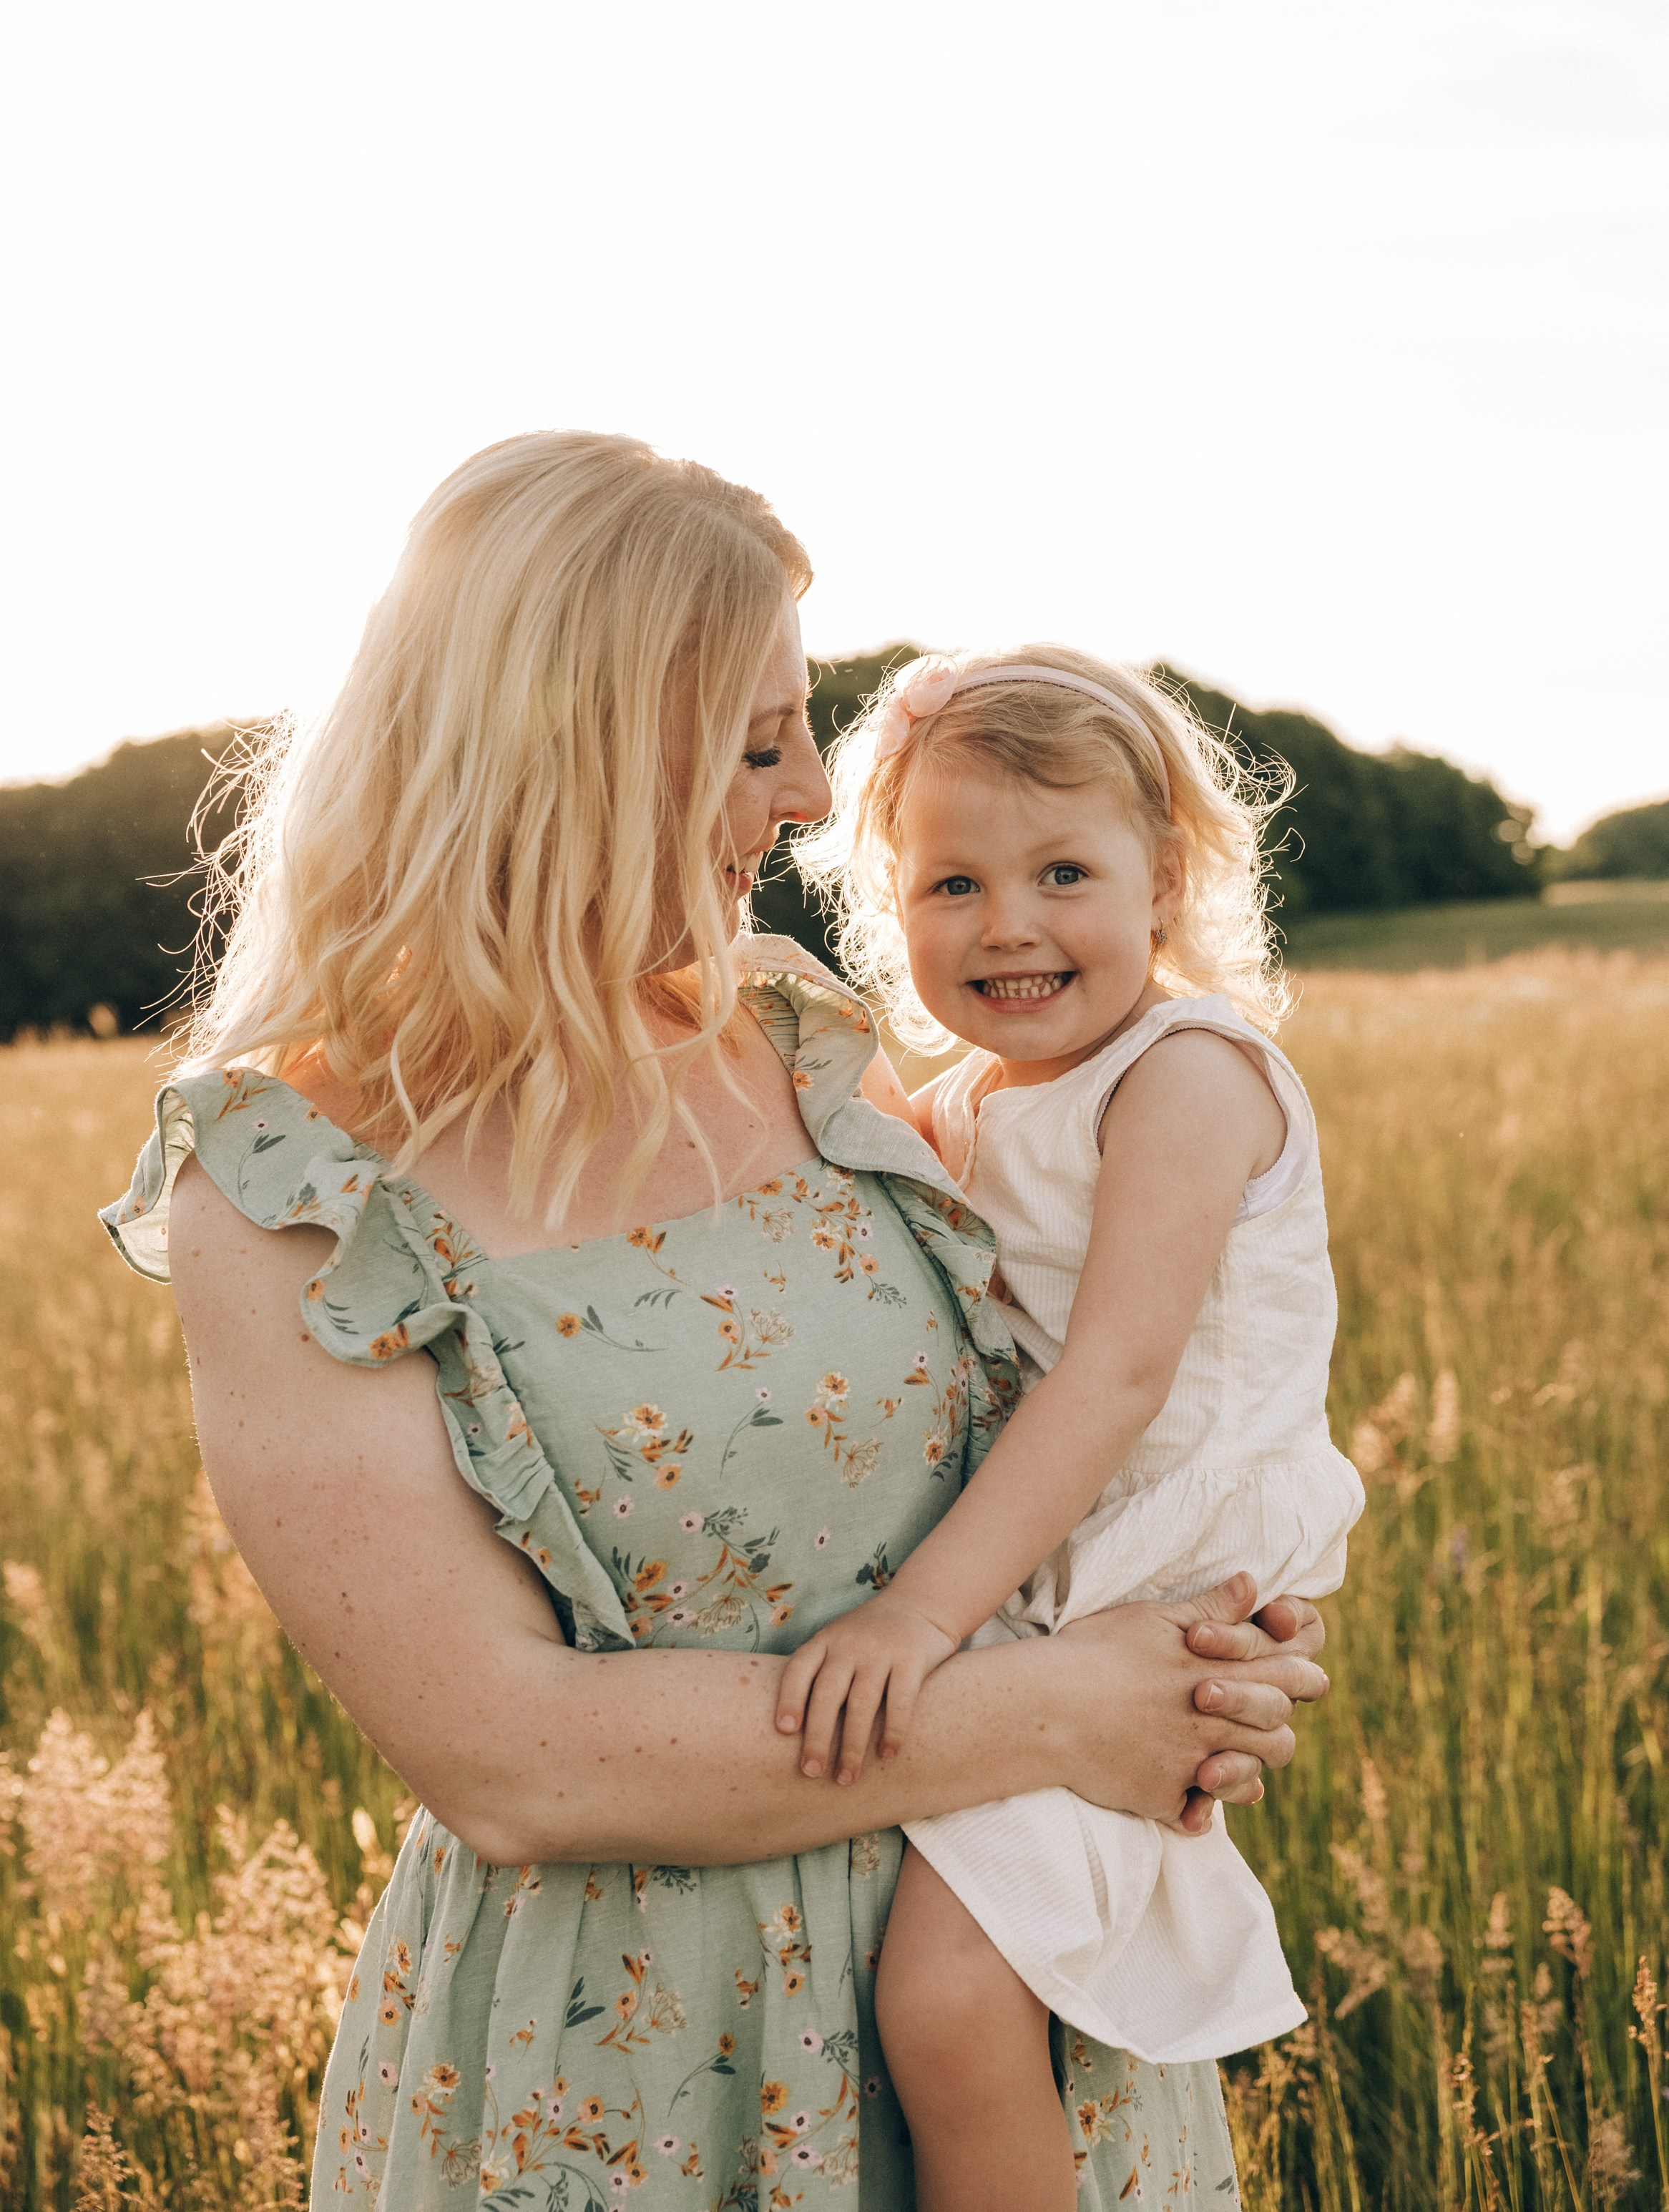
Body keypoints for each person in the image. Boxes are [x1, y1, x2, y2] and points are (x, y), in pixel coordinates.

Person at [101, 434, 1329, 2208]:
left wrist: (1216, 1641)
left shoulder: (807, 1043)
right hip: (627, 2062)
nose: (818, 800)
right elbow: (510, 1757)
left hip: (1006, 1969)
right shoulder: (288, 1187)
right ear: (570, 753)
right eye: (760, 743)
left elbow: (1084, 1395)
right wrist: (1070, 1714)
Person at [783, 647, 1365, 2212]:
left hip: (1156, 1563)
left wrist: (922, 1609)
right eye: (951, 883)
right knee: (961, 1980)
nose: (1009, 922)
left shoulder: (1181, 1075)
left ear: (1163, 877)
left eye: (1062, 871)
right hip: (1062, 1554)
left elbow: (1112, 1378)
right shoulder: (974, 1094)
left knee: (951, 1997)